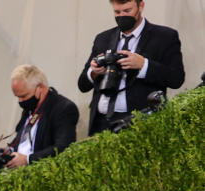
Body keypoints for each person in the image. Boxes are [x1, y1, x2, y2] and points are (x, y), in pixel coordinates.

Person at [78, 1, 184, 135]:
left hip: (140, 124)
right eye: (117, 12)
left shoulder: (165, 37)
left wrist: (144, 65)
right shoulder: (103, 38)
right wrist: (93, 72)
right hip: (101, 123)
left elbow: (176, 79)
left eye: (127, 11)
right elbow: (82, 85)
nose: (122, 16)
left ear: (141, 6)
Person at [5, 65, 79, 168]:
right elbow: (22, 141)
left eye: (23, 96)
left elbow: (63, 148)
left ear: (40, 88)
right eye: (17, 97)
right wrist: (8, 151)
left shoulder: (63, 108)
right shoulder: (30, 108)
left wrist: (27, 160)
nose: (20, 101)